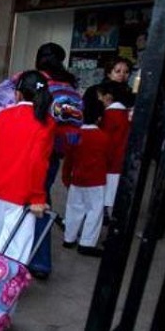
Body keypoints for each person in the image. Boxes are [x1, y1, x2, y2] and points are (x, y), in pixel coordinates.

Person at [0, 70, 55, 264]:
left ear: (18, 93)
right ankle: (5, 291)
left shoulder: (2, 116)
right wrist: (38, 197)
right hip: (21, 195)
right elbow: (38, 162)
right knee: (14, 251)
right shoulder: (45, 123)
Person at [27, 42, 81, 278]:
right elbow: (73, 127)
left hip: (29, 151)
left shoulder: (31, 82)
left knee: (24, 203)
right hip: (52, 155)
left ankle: (31, 260)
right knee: (41, 200)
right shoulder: (69, 88)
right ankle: (39, 261)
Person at [62, 92, 110, 257]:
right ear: (99, 118)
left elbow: (69, 158)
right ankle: (87, 243)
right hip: (96, 181)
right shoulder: (103, 138)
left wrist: (66, 177)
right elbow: (108, 159)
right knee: (94, 211)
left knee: (74, 208)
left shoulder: (75, 136)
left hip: (77, 179)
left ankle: (69, 237)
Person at [98, 80, 131, 216]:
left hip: (108, 162)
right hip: (123, 162)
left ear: (107, 97)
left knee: (104, 197)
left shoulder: (108, 115)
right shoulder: (127, 114)